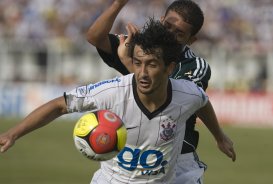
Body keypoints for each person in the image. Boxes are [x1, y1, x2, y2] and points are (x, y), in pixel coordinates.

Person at [0, 19, 235, 184]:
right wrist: (13, 134)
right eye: (138, 63)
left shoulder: (187, 93)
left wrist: (219, 136)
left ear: (169, 68)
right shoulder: (112, 91)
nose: (142, 72)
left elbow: (202, 102)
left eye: (152, 64)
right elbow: (60, 105)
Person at [86, 0, 214, 183]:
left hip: (178, 160)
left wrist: (129, 63)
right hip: (134, 155)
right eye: (168, 26)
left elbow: (173, 97)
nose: (170, 34)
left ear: (191, 40)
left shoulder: (194, 66)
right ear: (161, 20)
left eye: (179, 33)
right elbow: (95, 37)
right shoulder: (138, 47)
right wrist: (118, 5)